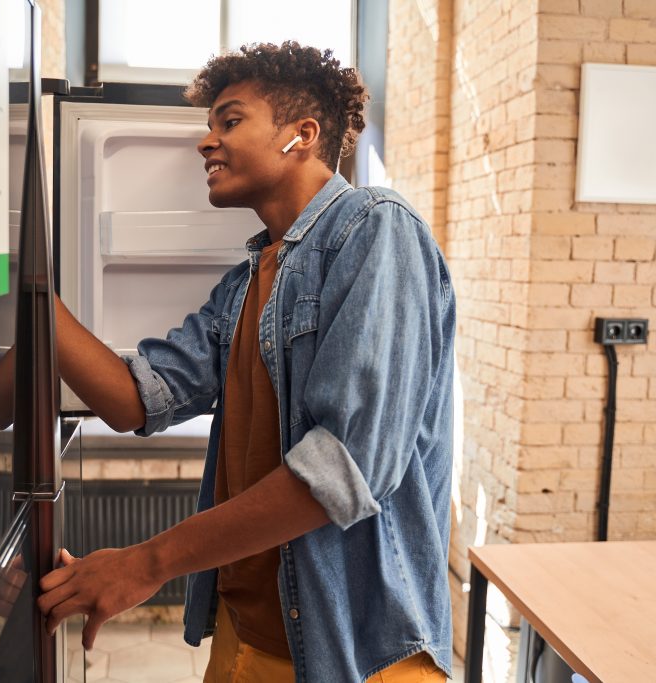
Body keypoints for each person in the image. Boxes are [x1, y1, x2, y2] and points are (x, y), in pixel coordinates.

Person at [37, 41, 456, 683]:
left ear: (303, 135)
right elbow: (132, 398)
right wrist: (31, 291)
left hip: (358, 655)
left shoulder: (378, 231)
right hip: (246, 639)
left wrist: (144, 563)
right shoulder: (245, 285)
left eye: (229, 121)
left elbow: (344, 469)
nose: (206, 142)